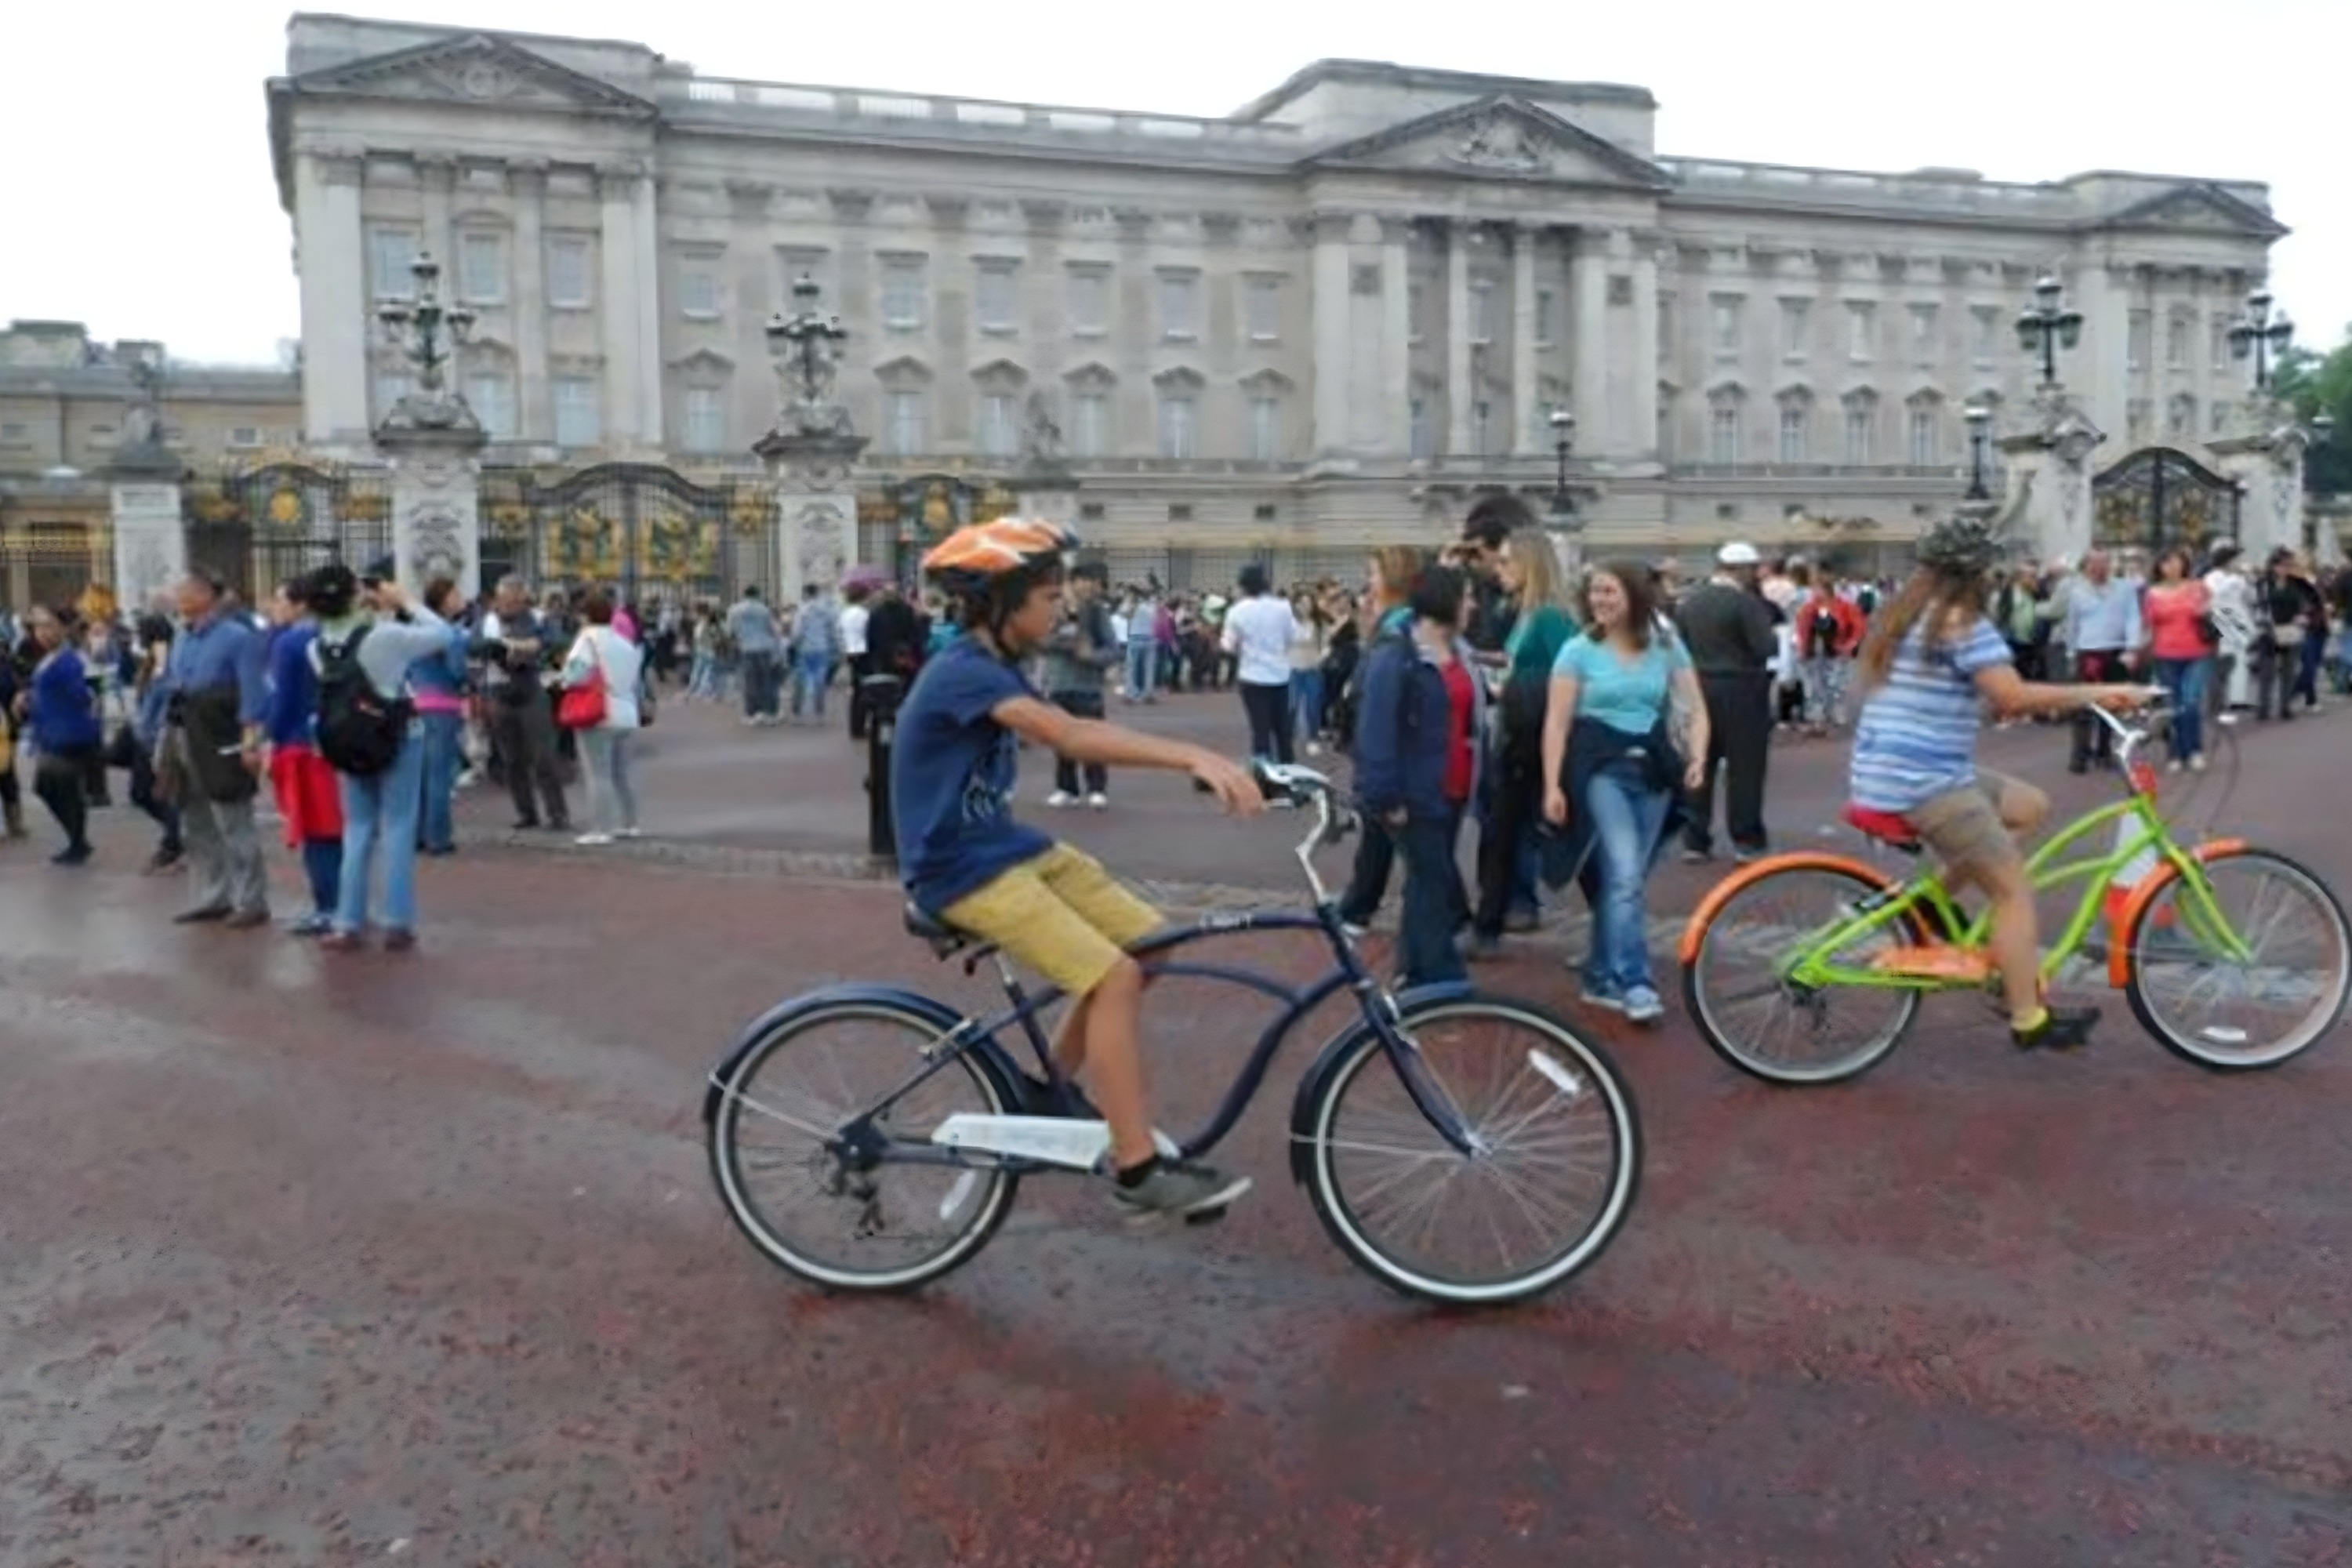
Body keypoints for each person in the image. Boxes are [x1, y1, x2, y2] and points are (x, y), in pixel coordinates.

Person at [892, 517, 1263, 1218]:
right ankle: (1137, 1169)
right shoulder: (962, 672)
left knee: (1150, 944)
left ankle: (1047, 1092)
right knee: (1113, 975)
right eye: (1047, 594)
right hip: (957, 868)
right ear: (1000, 603)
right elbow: (1065, 733)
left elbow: (1067, 722)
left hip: (1002, 845)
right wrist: (1190, 754)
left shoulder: (996, 665)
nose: (1060, 605)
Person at [1849, 517, 2150, 1051]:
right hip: (1926, 781)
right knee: (2011, 891)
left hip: (1890, 768)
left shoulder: (1903, 615)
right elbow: (2012, 696)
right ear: (1978, 574)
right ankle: (2028, 1017)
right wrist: (2100, 692)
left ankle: (1930, 902)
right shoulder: (1964, 623)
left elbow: (1972, 692)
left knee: (2029, 806)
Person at [1540, 564, 1705, 1022]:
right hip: (1600, 771)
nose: (1600, 600)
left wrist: (1698, 757)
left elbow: (1695, 706)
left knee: (1623, 883)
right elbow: (1556, 722)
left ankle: (1598, 974)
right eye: (1595, 592)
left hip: (1651, 772)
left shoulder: (1666, 647)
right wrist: (1552, 784)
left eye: (1609, 591)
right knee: (1626, 877)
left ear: (1633, 595)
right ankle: (1636, 981)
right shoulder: (1578, 651)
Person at [308, 564, 453, 951]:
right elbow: (443, 635)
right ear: (356, 595)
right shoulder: (383, 635)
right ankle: (396, 919)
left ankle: (348, 919)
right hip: (397, 735)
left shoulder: (317, 645)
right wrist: (406, 601)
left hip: (346, 739)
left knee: (356, 830)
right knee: (398, 826)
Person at [1354, 564, 1482, 986]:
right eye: (1465, 597)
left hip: (1455, 783)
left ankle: (1412, 970)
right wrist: (1385, 796)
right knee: (1435, 879)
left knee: (1426, 883)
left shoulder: (1459, 650)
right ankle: (1442, 976)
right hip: (1414, 790)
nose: (1472, 605)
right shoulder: (1396, 654)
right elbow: (1376, 729)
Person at [1469, 527, 1576, 960]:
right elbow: (1519, 662)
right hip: (1520, 728)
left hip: (1533, 735)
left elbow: (1566, 673)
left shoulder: (1550, 617)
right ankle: (1490, 922)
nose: (1500, 569)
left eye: (1508, 561)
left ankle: (1490, 925)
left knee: (1509, 831)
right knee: (1507, 831)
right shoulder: (1527, 612)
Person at [158, 570, 271, 928]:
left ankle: (252, 898)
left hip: (220, 733)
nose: (177, 598)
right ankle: (214, 894)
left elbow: (253, 693)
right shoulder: (181, 636)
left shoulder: (237, 637)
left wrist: (250, 742)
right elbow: (169, 685)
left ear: (206, 595)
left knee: (233, 819)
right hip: (184, 732)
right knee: (196, 820)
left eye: (185, 591)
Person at [1335, 546, 1427, 934]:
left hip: (1391, 757)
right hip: (1387, 756)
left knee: (1409, 846)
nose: (1368, 583)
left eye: (1373, 574)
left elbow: (1379, 701)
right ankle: (1358, 906)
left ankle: (1361, 909)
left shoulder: (1397, 631)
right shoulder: (1395, 624)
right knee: (1382, 836)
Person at [1675, 542, 1779, 862]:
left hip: (1699, 685)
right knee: (1745, 768)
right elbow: (1767, 647)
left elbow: (1680, 647)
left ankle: (1695, 837)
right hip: (1742, 688)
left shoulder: (1689, 603)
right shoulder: (1746, 604)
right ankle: (1746, 838)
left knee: (1699, 763)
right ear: (1743, 570)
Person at [261, 578, 343, 935]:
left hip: (301, 744)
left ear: (299, 604)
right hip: (342, 738)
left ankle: (329, 907)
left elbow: (282, 700)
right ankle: (348, 901)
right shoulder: (336, 634)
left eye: (279, 600)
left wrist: (269, 739)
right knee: (340, 829)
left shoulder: (290, 642)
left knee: (316, 829)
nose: (273, 607)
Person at [475, 575, 571, 832]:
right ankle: (526, 812)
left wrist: (532, 646)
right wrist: (494, 648)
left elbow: (558, 641)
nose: (507, 606)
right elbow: (472, 645)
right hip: (499, 691)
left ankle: (557, 812)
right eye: (503, 600)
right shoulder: (488, 621)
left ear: (522, 599)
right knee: (511, 759)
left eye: (513, 601)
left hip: (531, 689)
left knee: (544, 757)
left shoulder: (537, 618)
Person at [560, 588, 646, 847]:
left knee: (598, 772)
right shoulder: (624, 642)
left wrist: (563, 679)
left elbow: (576, 673)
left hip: (598, 711)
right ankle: (630, 823)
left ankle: (601, 827)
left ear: (585, 615)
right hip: (626, 710)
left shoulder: (587, 639)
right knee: (622, 773)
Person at [17, 606, 101, 865]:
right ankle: (77, 840)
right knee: (54, 788)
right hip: (51, 732)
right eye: (39, 627)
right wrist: (30, 699)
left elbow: (83, 695)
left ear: (62, 629)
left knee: (54, 787)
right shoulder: (49, 659)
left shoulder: (69, 660)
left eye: (49, 626)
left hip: (69, 734)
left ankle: (78, 841)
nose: (43, 633)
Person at [1040, 561, 1118, 809]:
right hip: (1059, 683)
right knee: (1062, 739)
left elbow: (1113, 650)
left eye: (1095, 583)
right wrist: (1065, 641)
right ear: (1072, 583)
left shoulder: (1097, 612)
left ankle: (1096, 788)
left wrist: (1091, 656)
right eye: (1085, 581)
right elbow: (1039, 641)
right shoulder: (1053, 610)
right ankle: (1066, 787)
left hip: (1088, 686)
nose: (1091, 587)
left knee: (1092, 738)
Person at [2060, 550, 2143, 771]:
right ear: (2086, 568)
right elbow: (2072, 624)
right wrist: (2070, 653)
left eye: (2104, 563)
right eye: (2094, 565)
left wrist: (2132, 648)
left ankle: (2104, 752)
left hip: (2115, 650)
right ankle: (2080, 753)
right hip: (2089, 651)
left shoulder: (2125, 589)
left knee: (2111, 703)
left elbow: (2133, 617)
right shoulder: (2077, 591)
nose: (2099, 569)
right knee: (2085, 704)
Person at [410, 576, 472, 856]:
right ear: (444, 599)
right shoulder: (448, 632)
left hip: (418, 701)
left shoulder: (416, 630)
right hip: (443, 703)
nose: (460, 598)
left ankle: (418, 833)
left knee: (420, 774)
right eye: (455, 593)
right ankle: (438, 836)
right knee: (440, 775)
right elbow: (457, 671)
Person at [2142, 546, 2214, 772]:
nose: (2171, 567)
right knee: (2172, 706)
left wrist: (2207, 611)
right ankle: (2174, 753)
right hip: (2165, 654)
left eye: (2175, 562)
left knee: (2190, 702)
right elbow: (2149, 626)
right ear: (2159, 568)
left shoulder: (2197, 588)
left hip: (2197, 653)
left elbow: (2218, 612)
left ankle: (2194, 750)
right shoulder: (2152, 594)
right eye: (2166, 563)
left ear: (2184, 564)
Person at [1221, 564, 1298, 766]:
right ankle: (1288, 770)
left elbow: (1228, 646)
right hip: (1280, 674)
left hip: (1252, 676)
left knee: (1260, 731)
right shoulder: (1283, 607)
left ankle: (1264, 775)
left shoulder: (1236, 611)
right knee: (1283, 730)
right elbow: (1293, 637)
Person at [2252, 546, 2324, 722]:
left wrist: (2305, 616)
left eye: (2288, 565)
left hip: (2291, 629)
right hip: (2268, 629)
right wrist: (2259, 619)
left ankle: (2285, 706)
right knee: (2267, 670)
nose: (2284, 569)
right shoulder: (2263, 583)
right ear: (2272, 566)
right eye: (2281, 565)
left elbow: (2316, 602)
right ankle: (2264, 707)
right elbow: (2254, 603)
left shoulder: (2299, 583)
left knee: (2289, 670)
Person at [1795, 567, 1867, 735]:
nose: (1814, 592)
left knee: (1837, 683)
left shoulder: (1845, 607)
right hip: (1815, 651)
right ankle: (1817, 715)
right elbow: (1802, 629)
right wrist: (1802, 648)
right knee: (1815, 684)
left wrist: (1851, 644)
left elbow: (1858, 627)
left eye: (1817, 589)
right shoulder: (1808, 608)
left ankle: (1836, 711)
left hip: (1838, 650)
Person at [2203, 543, 2256, 726]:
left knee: (2241, 659)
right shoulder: (2212, 577)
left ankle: (2238, 698)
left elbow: (2249, 597)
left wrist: (2248, 582)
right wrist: (2236, 580)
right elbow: (2215, 594)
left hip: (2238, 618)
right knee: (2224, 661)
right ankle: (2220, 703)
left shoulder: (2237, 578)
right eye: (2236, 559)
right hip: (2222, 618)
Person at [726, 585, 784, 727]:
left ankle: (751, 713)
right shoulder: (763, 609)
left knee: (750, 682)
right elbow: (772, 629)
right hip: (764, 648)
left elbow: (729, 631)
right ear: (757, 594)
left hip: (746, 648)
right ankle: (769, 713)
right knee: (766, 681)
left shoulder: (734, 610)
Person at [789, 583, 840, 723]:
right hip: (822, 648)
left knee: (800, 681)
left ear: (805, 593)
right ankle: (819, 712)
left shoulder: (802, 610)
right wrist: (836, 648)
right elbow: (833, 631)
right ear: (817, 593)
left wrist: (793, 644)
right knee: (820, 680)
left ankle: (797, 712)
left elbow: (797, 632)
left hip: (805, 649)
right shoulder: (826, 610)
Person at [839, 584, 873, 739]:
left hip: (850, 650)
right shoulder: (863, 614)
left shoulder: (844, 614)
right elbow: (868, 632)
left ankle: (856, 724)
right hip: (862, 650)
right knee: (863, 690)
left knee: (856, 689)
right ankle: (860, 724)